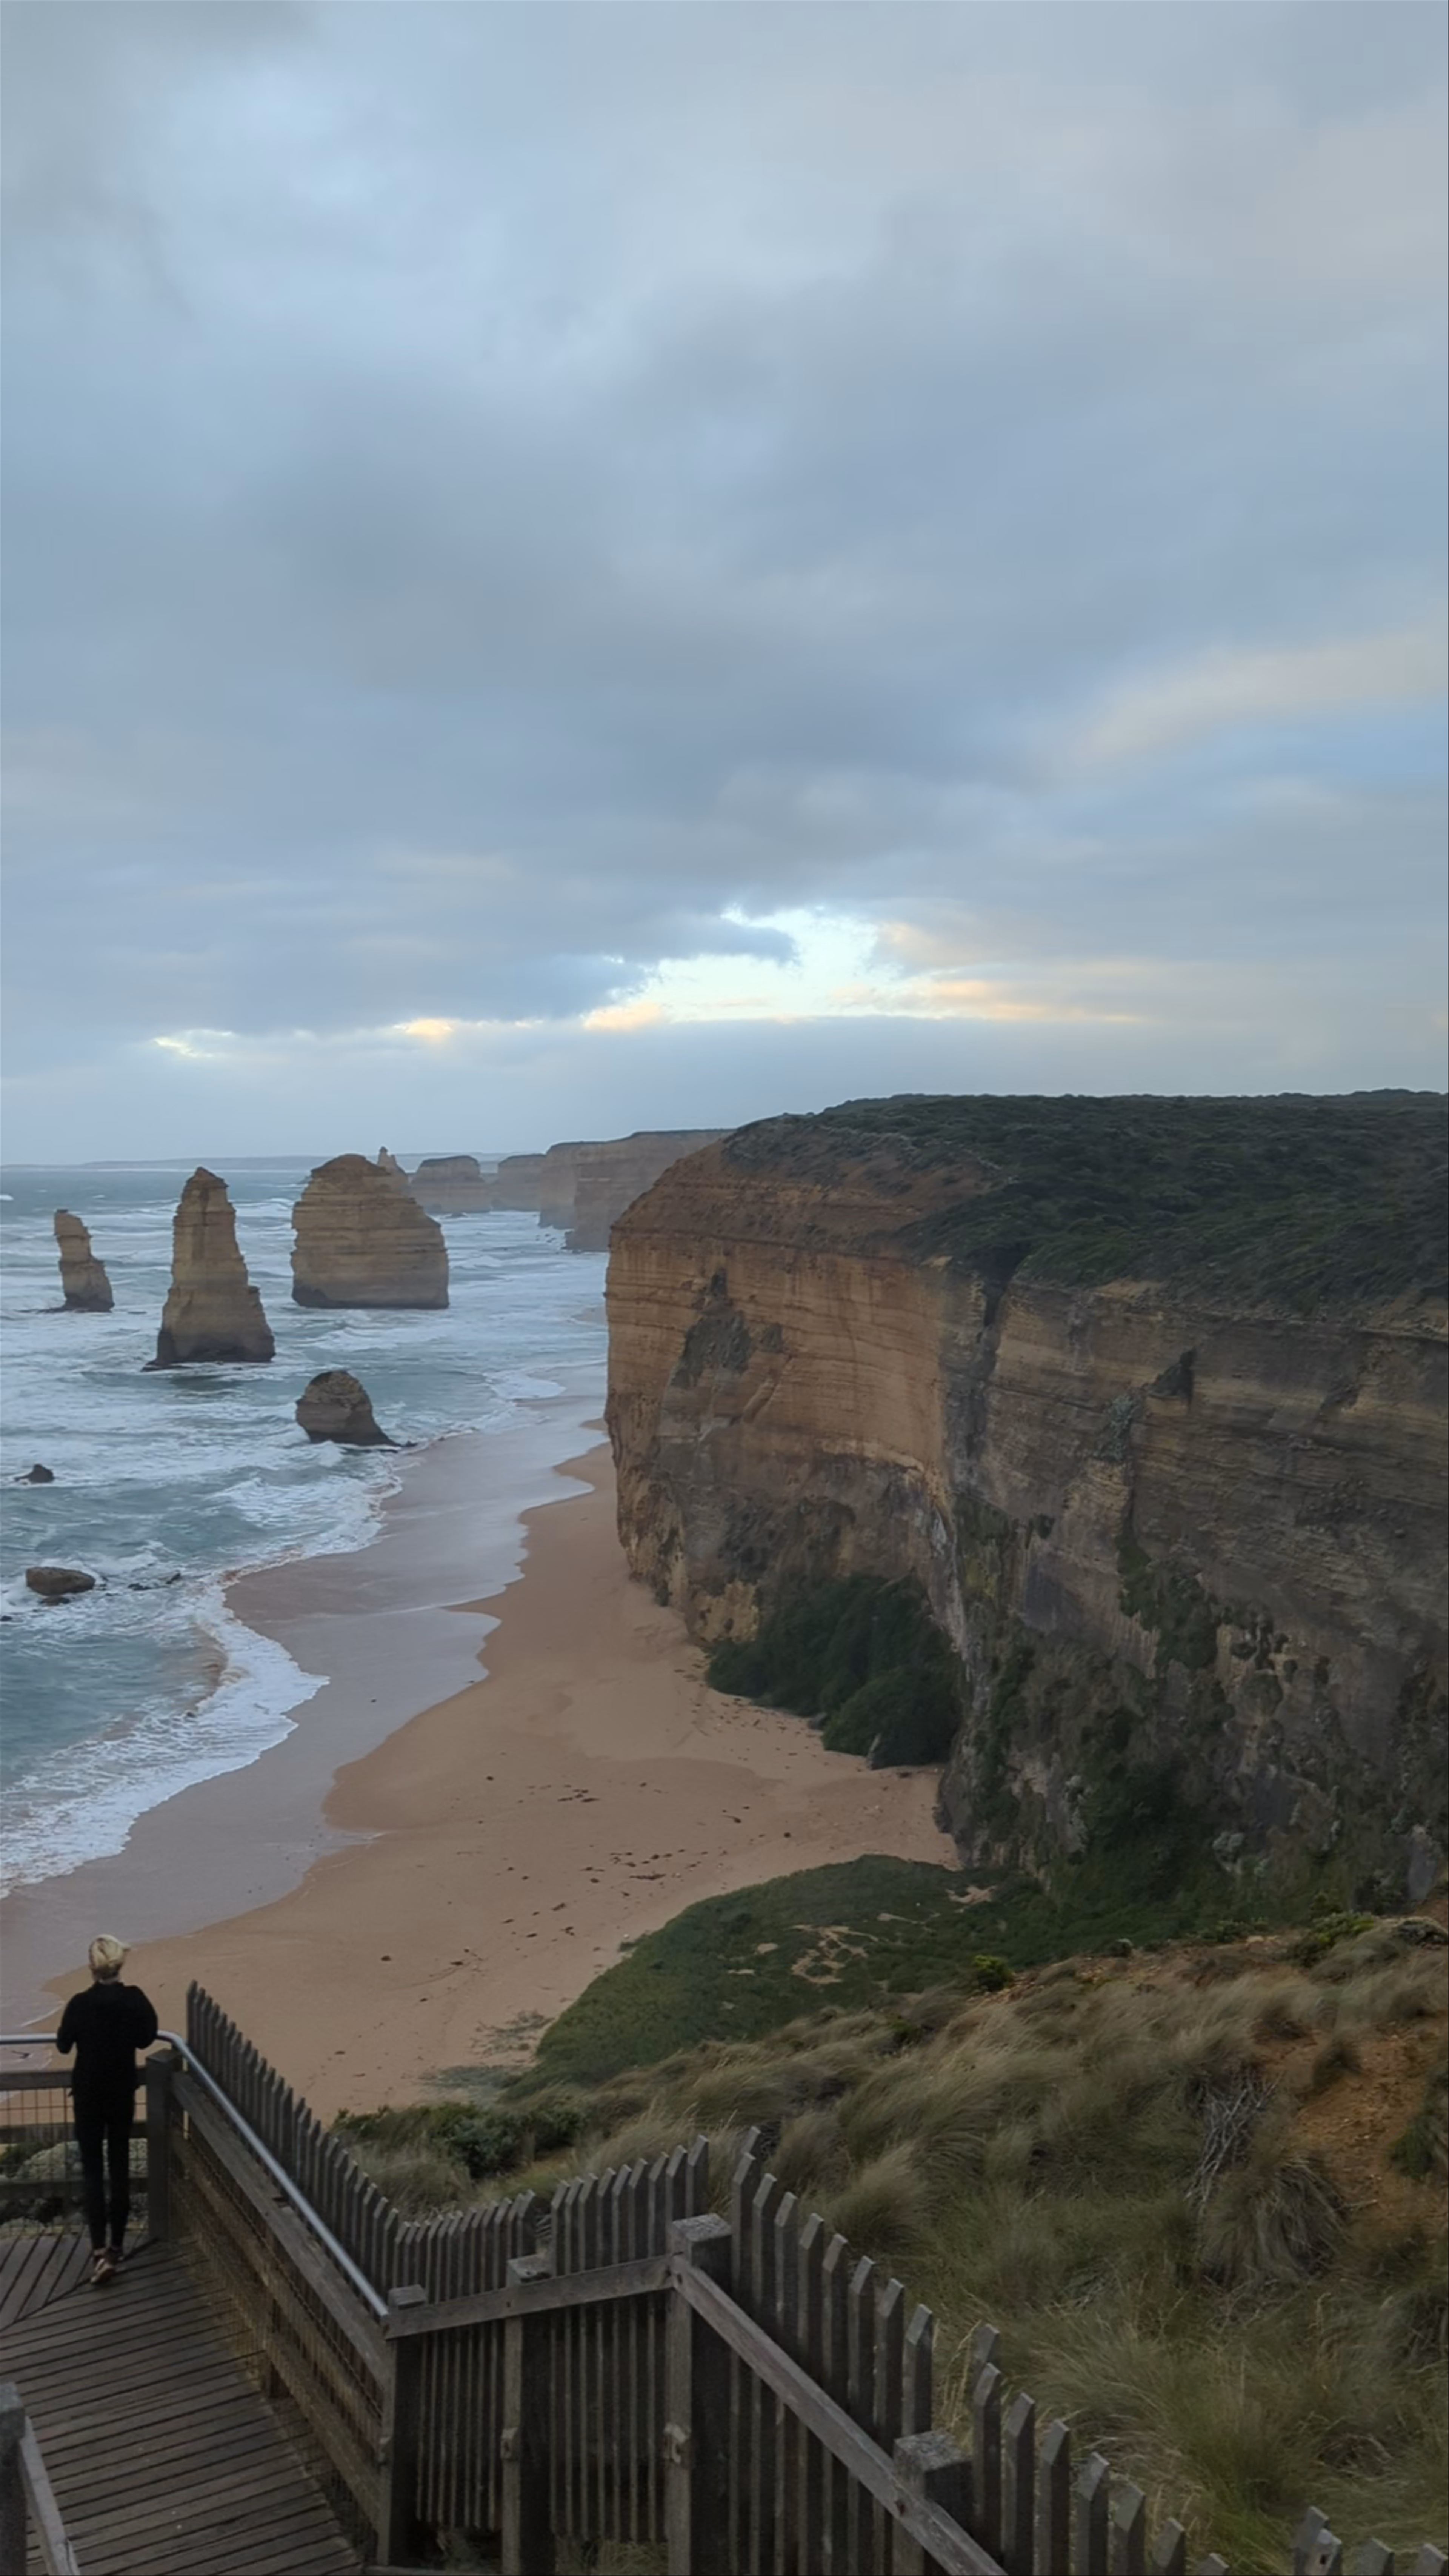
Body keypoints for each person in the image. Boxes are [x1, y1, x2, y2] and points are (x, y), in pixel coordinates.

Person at [55, 1935, 158, 2284]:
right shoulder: (134, 2000)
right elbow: (148, 2037)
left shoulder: (80, 2004)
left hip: (88, 2094)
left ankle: (99, 2250)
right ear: (119, 1964)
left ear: (92, 1967)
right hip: (121, 2093)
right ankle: (117, 2247)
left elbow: (64, 2043)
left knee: (93, 2173)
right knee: (120, 2168)